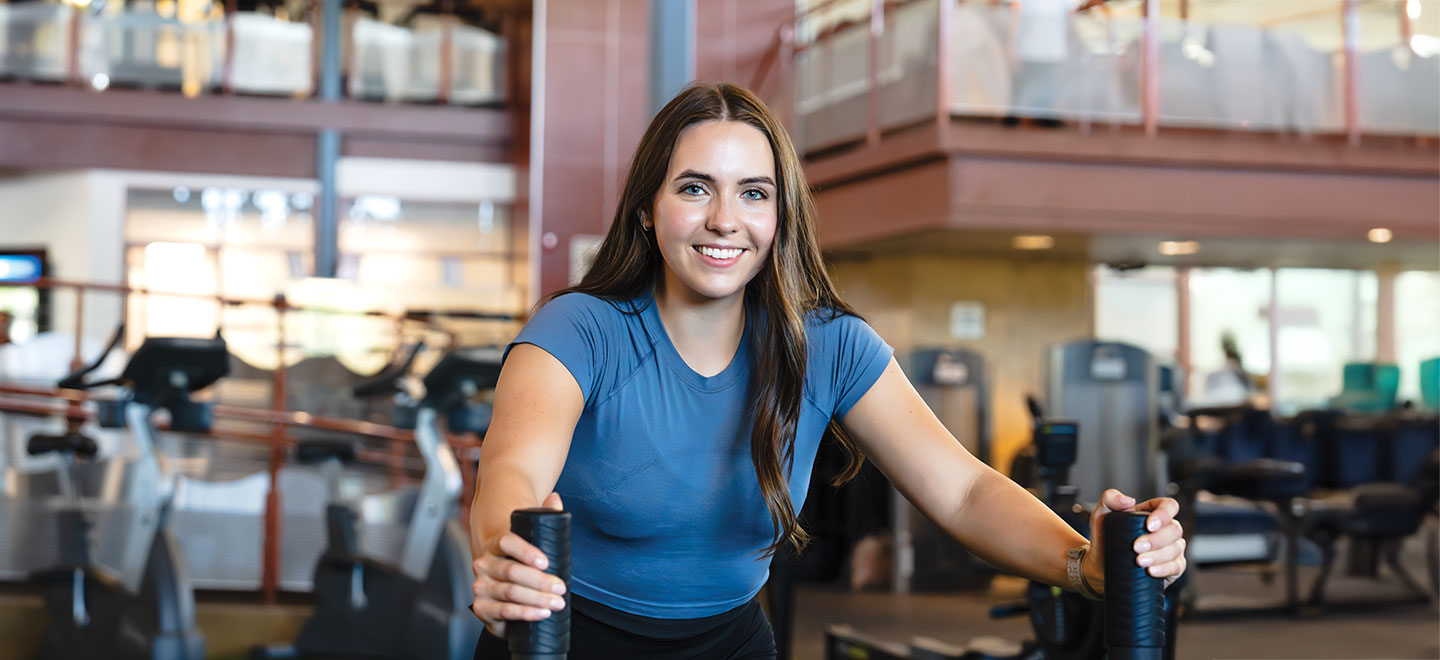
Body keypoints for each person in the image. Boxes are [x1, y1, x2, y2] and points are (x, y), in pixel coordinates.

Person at [468, 83, 1186, 659]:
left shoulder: (830, 346)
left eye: (754, 192)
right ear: (646, 213)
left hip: (731, 643)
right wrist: (505, 557)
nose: (725, 219)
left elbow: (964, 491)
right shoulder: (579, 330)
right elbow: (512, 472)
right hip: (560, 638)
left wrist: (1083, 562)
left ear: (780, 216)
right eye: (694, 188)